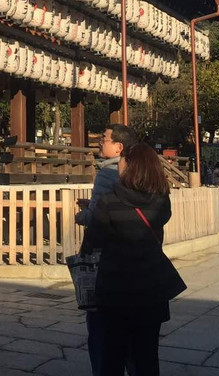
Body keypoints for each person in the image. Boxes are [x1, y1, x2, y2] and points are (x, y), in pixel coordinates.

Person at [82, 143, 186, 376]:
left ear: (130, 166)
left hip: (115, 288)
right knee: (147, 355)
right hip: (151, 288)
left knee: (112, 355)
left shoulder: (109, 201)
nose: (118, 167)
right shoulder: (161, 201)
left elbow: (92, 244)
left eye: (121, 163)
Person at [75, 123, 139, 375]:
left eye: (104, 139)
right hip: (133, 263)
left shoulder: (106, 174)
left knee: (100, 330)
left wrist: (83, 215)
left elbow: (98, 218)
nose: (100, 143)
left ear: (119, 147)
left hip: (104, 259)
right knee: (132, 337)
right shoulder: (138, 174)